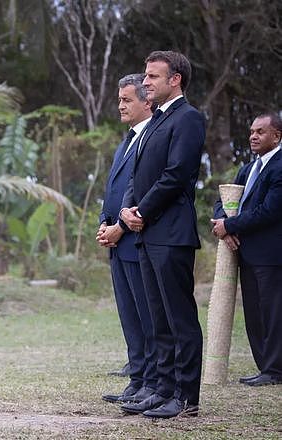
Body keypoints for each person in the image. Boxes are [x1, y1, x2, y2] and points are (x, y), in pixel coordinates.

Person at [119, 51, 205, 418]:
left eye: (153, 76)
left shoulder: (188, 119)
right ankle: (162, 388)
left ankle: (187, 398)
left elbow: (176, 174)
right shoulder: (156, 121)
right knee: (158, 319)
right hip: (147, 233)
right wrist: (128, 211)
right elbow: (142, 173)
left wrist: (143, 210)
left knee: (179, 318)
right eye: (146, 75)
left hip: (171, 233)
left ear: (176, 80)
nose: (146, 82)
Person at [97, 73, 157, 405]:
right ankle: (137, 379)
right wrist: (104, 224)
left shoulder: (152, 138)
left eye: (127, 100)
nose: (120, 105)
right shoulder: (127, 140)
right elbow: (113, 190)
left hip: (137, 238)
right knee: (129, 315)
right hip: (117, 242)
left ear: (147, 101)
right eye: (119, 99)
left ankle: (151, 382)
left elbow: (142, 191)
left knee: (147, 316)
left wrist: (121, 226)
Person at [212, 112, 282, 387]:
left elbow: (270, 211)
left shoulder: (279, 166)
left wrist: (230, 226)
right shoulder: (250, 168)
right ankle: (265, 367)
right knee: (253, 312)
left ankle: (275, 369)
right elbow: (226, 197)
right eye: (252, 131)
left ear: (276, 135)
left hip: (271, 254)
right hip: (247, 252)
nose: (253, 136)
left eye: (260, 132)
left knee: (273, 312)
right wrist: (223, 222)